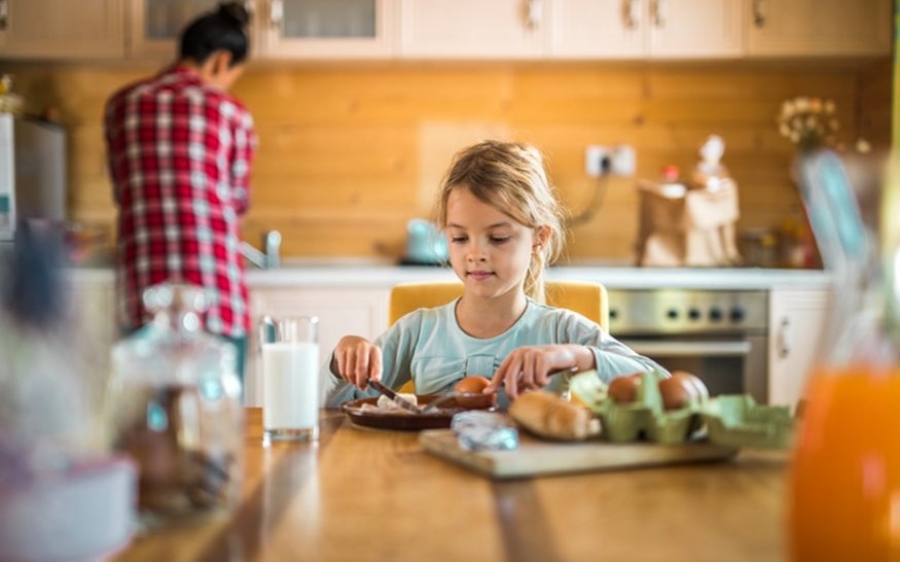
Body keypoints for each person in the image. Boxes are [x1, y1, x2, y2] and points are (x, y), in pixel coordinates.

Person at [321, 140, 664, 408]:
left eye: (498, 238)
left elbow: (659, 384)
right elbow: (332, 408)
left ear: (538, 239)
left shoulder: (562, 331)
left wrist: (576, 357)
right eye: (459, 238)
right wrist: (343, 360)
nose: (475, 253)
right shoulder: (418, 331)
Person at [104, 1, 257, 387]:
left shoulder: (121, 105)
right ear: (221, 61)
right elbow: (236, 202)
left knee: (146, 429)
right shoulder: (232, 113)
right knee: (216, 427)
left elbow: (123, 191)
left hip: (144, 296)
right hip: (215, 297)